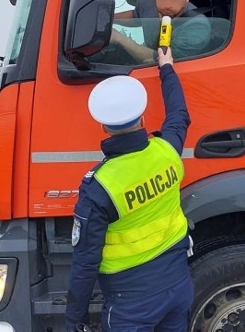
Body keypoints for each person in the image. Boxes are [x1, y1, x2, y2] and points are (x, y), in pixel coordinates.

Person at [65, 47, 194, 332]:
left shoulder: (100, 186)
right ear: (143, 117)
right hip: (178, 285)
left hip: (132, 303)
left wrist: (76, 319)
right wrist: (167, 68)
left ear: (104, 126)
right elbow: (179, 114)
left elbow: (86, 261)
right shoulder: (167, 150)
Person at [112, 0, 211, 63]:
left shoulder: (197, 27)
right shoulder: (146, 0)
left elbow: (161, 59)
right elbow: (136, 16)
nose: (167, 4)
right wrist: (110, 19)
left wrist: (120, 39)